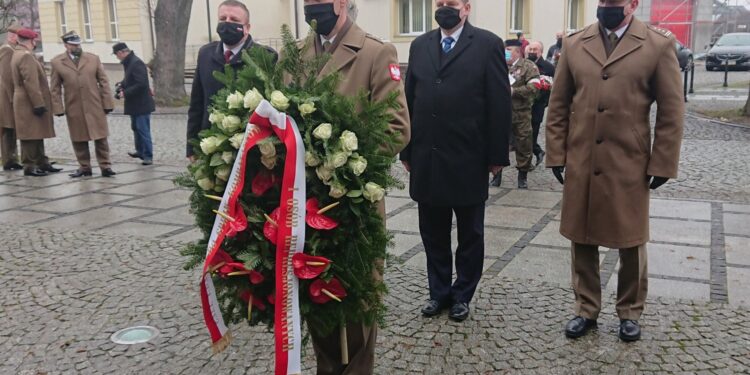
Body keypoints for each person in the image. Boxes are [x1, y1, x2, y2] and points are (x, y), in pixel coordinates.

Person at [545, 0, 684, 342]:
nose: (606, 6)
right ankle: (585, 308)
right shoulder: (575, 43)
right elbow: (559, 104)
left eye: (615, 2)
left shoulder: (657, 44)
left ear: (633, 4)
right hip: (582, 157)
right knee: (582, 235)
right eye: (602, 1)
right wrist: (557, 153)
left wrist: (663, 162)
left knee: (631, 239)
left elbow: (671, 109)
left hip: (629, 161)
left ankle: (630, 311)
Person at [294, 0, 410, 373]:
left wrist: (336, 160)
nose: (314, 6)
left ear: (342, 2)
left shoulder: (376, 52)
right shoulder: (293, 53)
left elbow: (396, 130)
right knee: (315, 297)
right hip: (302, 206)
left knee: (356, 307)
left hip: (352, 207)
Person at [401, 0, 510, 323]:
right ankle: (438, 292)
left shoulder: (488, 44)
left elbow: (499, 103)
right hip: (427, 157)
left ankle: (462, 294)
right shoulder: (420, 46)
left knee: (470, 235)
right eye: (440, 2)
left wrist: (496, 156)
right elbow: (409, 99)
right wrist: (406, 150)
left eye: (452, 2)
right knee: (432, 233)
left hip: (468, 157)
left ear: (467, 7)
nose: (444, 7)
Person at [186, 0, 277, 161]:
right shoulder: (205, 54)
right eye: (223, 18)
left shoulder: (265, 56)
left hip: (251, 149)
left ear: (247, 28)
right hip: (211, 145)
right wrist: (192, 147)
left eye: (234, 20)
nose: (227, 23)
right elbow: (197, 104)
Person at [50, 31, 116, 177]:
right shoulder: (57, 62)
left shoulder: (93, 59)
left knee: (101, 137)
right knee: (78, 138)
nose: (77, 47)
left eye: (78, 44)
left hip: (94, 104)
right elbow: (54, 88)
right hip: (74, 105)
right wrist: (58, 107)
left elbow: (104, 82)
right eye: (73, 45)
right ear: (66, 46)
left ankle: (105, 166)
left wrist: (107, 103)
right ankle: (84, 167)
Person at [11, 29, 61, 177]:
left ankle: (41, 162)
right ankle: (30, 165)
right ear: (31, 41)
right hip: (29, 101)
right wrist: (38, 103)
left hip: (24, 99)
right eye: (35, 41)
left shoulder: (17, 53)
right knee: (30, 135)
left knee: (36, 132)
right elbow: (31, 82)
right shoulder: (26, 56)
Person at [490, 39, 538, 189]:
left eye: (508, 49)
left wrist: (514, 92)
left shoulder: (528, 66)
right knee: (498, 143)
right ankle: (496, 175)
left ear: (517, 51)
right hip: (500, 113)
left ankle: (522, 176)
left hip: (521, 113)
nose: (505, 52)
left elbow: (534, 87)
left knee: (524, 144)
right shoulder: (498, 65)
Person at [113, 42, 154, 165]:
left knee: (143, 129)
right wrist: (121, 84)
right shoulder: (130, 62)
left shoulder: (136, 63)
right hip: (135, 103)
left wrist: (125, 93)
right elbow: (130, 79)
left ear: (121, 52)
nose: (117, 57)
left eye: (116, 55)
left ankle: (148, 155)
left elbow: (141, 84)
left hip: (141, 103)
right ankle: (140, 151)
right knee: (136, 128)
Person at [526, 41, 555, 166]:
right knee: (522, 134)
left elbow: (554, 86)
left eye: (535, 49)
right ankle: (535, 153)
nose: (532, 51)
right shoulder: (525, 64)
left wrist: (545, 102)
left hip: (538, 105)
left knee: (533, 132)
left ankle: (535, 153)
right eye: (530, 49)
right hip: (524, 105)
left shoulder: (548, 67)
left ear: (541, 52)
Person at [0, 22, 22, 171]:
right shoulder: (7, 50)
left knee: (11, 128)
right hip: (6, 97)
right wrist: (13, 97)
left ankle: (11, 158)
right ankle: (9, 160)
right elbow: (7, 76)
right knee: (8, 127)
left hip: (7, 96)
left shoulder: (12, 49)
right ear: (12, 36)